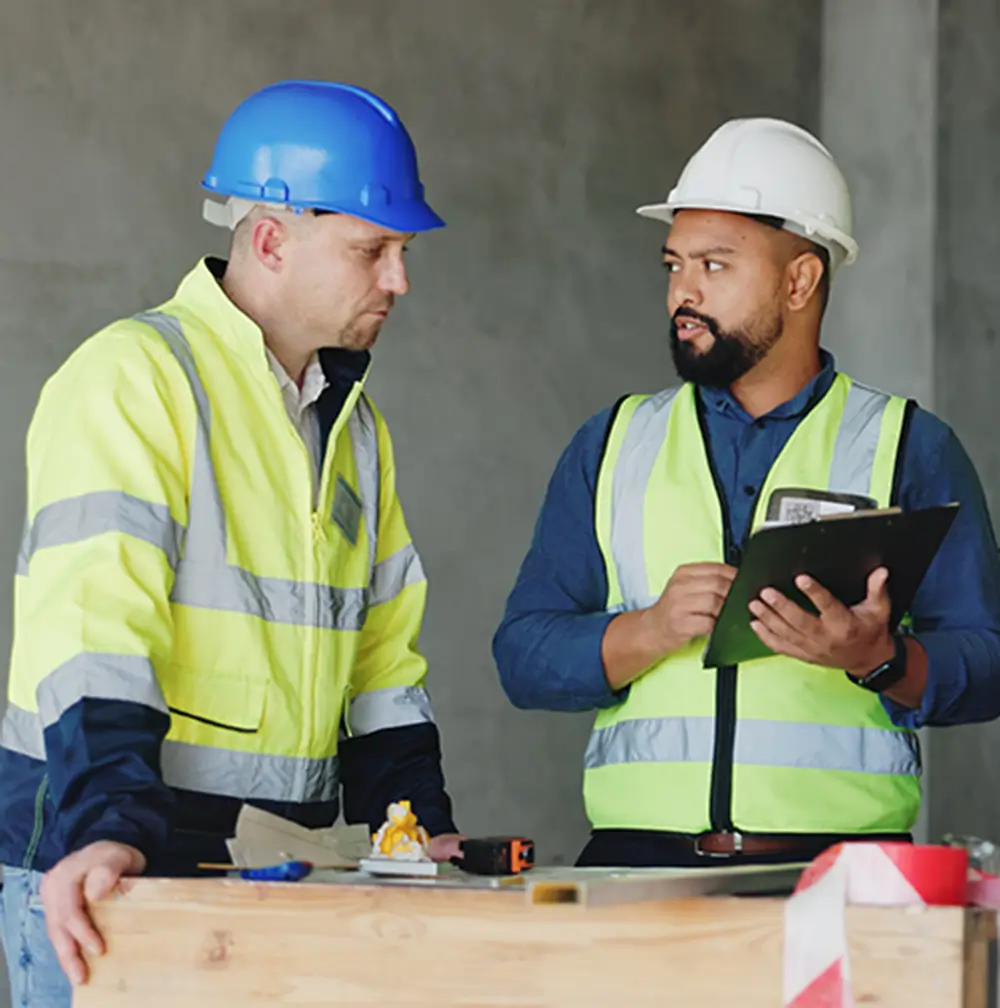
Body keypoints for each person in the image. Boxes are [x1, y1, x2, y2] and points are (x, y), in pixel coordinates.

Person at [0, 79, 462, 1003]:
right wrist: (107, 827)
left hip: (272, 879)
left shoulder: (353, 429)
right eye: (374, 249)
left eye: (403, 253)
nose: (399, 281)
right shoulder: (134, 380)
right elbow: (95, 635)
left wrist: (409, 826)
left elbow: (381, 664)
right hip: (107, 873)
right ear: (270, 239)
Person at [493, 117, 1000, 870]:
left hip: (841, 880)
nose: (682, 293)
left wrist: (878, 657)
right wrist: (650, 629)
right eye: (674, 265)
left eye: (715, 266)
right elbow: (523, 656)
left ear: (800, 280)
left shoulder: (909, 445)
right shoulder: (611, 444)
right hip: (637, 872)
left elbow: (987, 661)